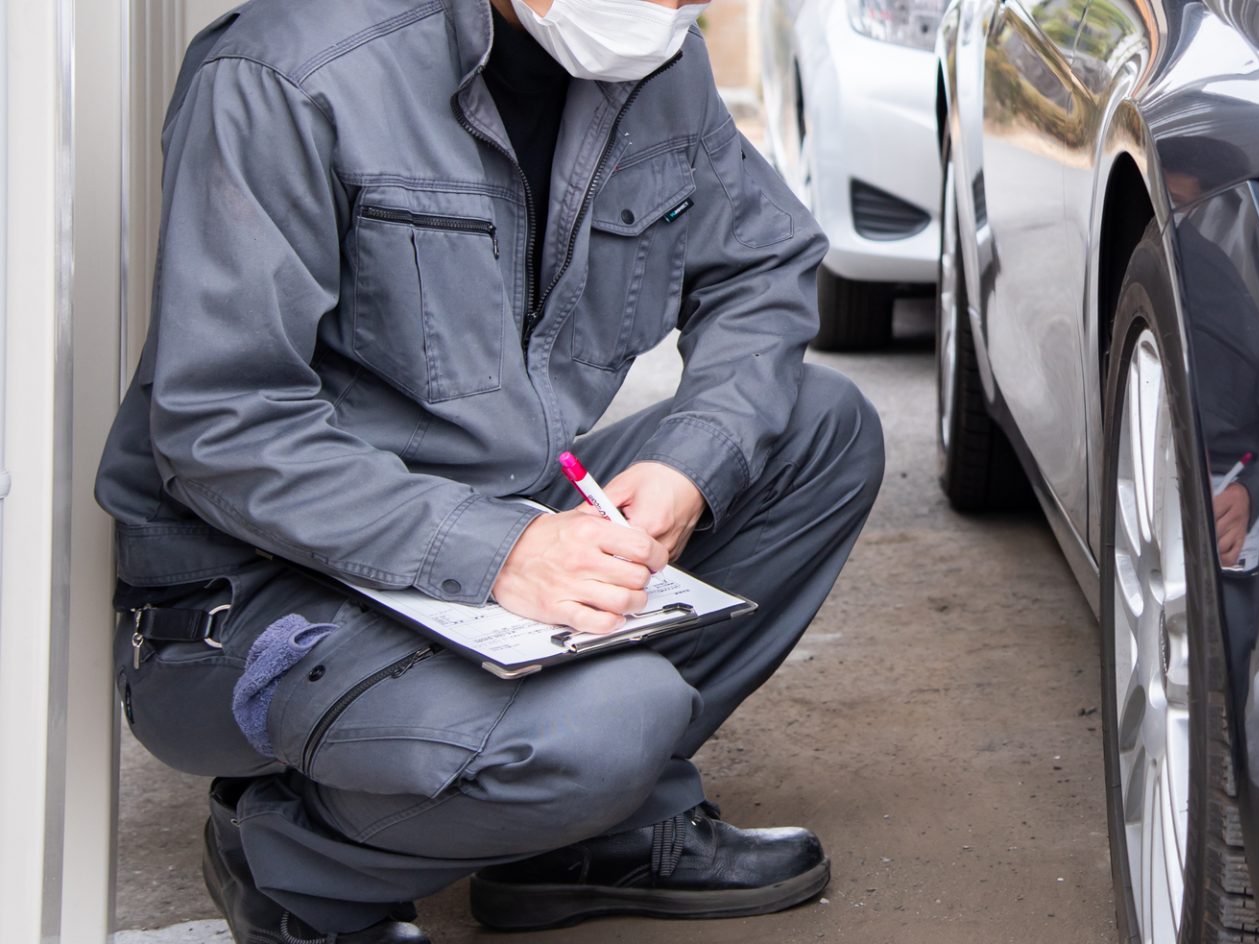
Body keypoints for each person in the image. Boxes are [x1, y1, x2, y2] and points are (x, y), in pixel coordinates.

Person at [93, 0, 885, 939]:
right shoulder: (288, 69)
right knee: (611, 725)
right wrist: (500, 549)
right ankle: (289, 854)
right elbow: (224, 423)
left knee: (822, 431)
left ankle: (582, 841)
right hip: (262, 594)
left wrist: (691, 461)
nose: (678, 9)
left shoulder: (654, 65)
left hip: (502, 521)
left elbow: (765, 264)